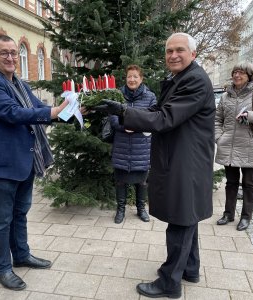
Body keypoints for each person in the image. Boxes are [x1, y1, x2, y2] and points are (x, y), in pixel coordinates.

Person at [95, 33, 215, 298]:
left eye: (180, 50)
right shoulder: (181, 78)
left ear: (193, 54)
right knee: (188, 215)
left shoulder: (193, 80)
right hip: (186, 157)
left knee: (181, 219)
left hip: (188, 161)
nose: (173, 55)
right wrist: (123, 110)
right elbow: (159, 113)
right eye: (169, 51)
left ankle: (169, 283)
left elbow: (165, 118)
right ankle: (190, 269)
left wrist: (124, 113)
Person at [0, 35, 68, 291]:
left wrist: (70, 113)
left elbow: (39, 108)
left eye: (14, 52)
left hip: (24, 160)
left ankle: (22, 255)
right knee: (2, 218)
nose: (11, 57)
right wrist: (51, 112)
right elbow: (12, 113)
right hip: (1, 165)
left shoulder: (20, 84)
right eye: (4, 53)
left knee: (20, 213)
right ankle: (2, 268)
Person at [215, 62, 253, 231]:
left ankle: (246, 217)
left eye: (241, 73)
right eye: (235, 72)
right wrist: (219, 137)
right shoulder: (226, 96)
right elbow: (217, 119)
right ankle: (228, 214)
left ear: (249, 76)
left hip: (250, 146)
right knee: (231, 182)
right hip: (228, 146)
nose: (237, 75)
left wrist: (250, 115)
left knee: (249, 183)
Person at [110, 65, 157, 224]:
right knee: (120, 180)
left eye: (135, 76)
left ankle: (141, 209)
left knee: (142, 180)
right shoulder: (117, 95)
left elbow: (153, 119)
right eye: (129, 76)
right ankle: (120, 210)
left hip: (141, 146)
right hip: (122, 144)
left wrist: (135, 126)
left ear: (141, 79)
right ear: (126, 78)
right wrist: (125, 127)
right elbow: (113, 119)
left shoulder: (150, 97)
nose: (132, 79)